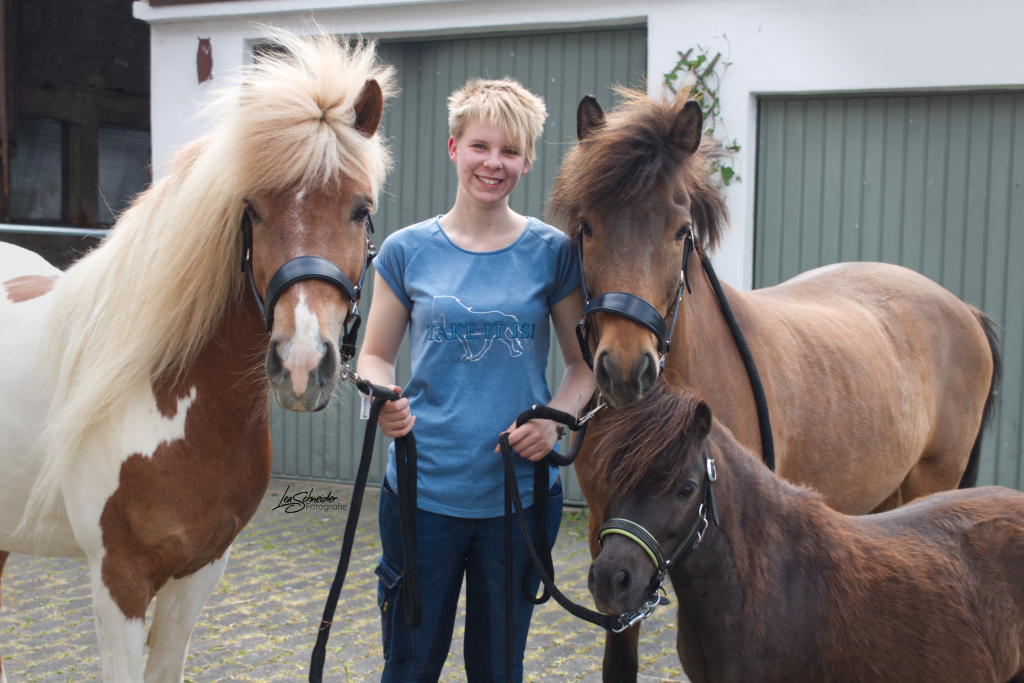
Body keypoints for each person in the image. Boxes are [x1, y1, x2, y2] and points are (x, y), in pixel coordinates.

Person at [356, 77, 595, 683]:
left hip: (517, 503)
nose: (494, 163)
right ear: (453, 148)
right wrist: (382, 400)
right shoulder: (408, 251)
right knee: (408, 666)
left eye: (510, 151)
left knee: (498, 669)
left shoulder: (554, 252)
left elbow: (582, 365)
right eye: (480, 146)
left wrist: (554, 418)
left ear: (527, 161)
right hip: (420, 498)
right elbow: (375, 356)